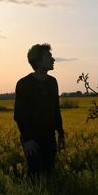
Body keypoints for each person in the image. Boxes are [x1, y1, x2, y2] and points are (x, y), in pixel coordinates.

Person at [14, 43, 65, 179]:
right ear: (38, 61)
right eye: (48, 56)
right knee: (34, 175)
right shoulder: (24, 84)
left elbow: (55, 110)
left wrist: (60, 134)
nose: (53, 59)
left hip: (49, 137)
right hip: (32, 138)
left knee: (49, 173)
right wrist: (28, 139)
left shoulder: (53, 82)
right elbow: (19, 115)